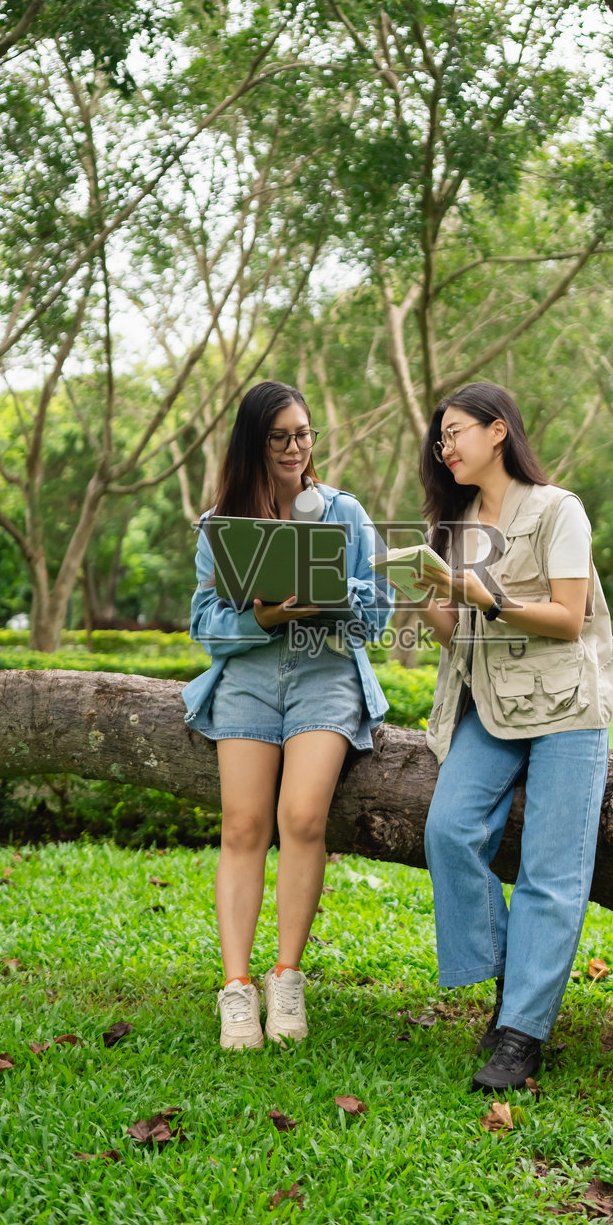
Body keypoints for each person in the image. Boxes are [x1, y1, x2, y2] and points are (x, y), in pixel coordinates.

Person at [414, 381, 613, 1093]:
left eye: (456, 431)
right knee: (447, 831)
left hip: (565, 705)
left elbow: (567, 617)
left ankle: (520, 1033)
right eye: (440, 439)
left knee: (551, 873)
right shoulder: (455, 524)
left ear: (498, 431)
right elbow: (453, 636)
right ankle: (515, 975)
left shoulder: (557, 509)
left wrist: (485, 597)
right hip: (490, 705)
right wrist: (423, 595)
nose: (446, 447)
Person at [184, 381, 393, 1052]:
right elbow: (205, 625)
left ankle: (286, 976)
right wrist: (266, 614)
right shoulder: (221, 526)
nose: (296, 447)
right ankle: (237, 989)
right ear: (253, 443)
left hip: (324, 673)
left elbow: (380, 614)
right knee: (243, 825)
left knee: (302, 817)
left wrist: (335, 594)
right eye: (280, 437)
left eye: (304, 434)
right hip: (248, 677)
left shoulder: (344, 513)